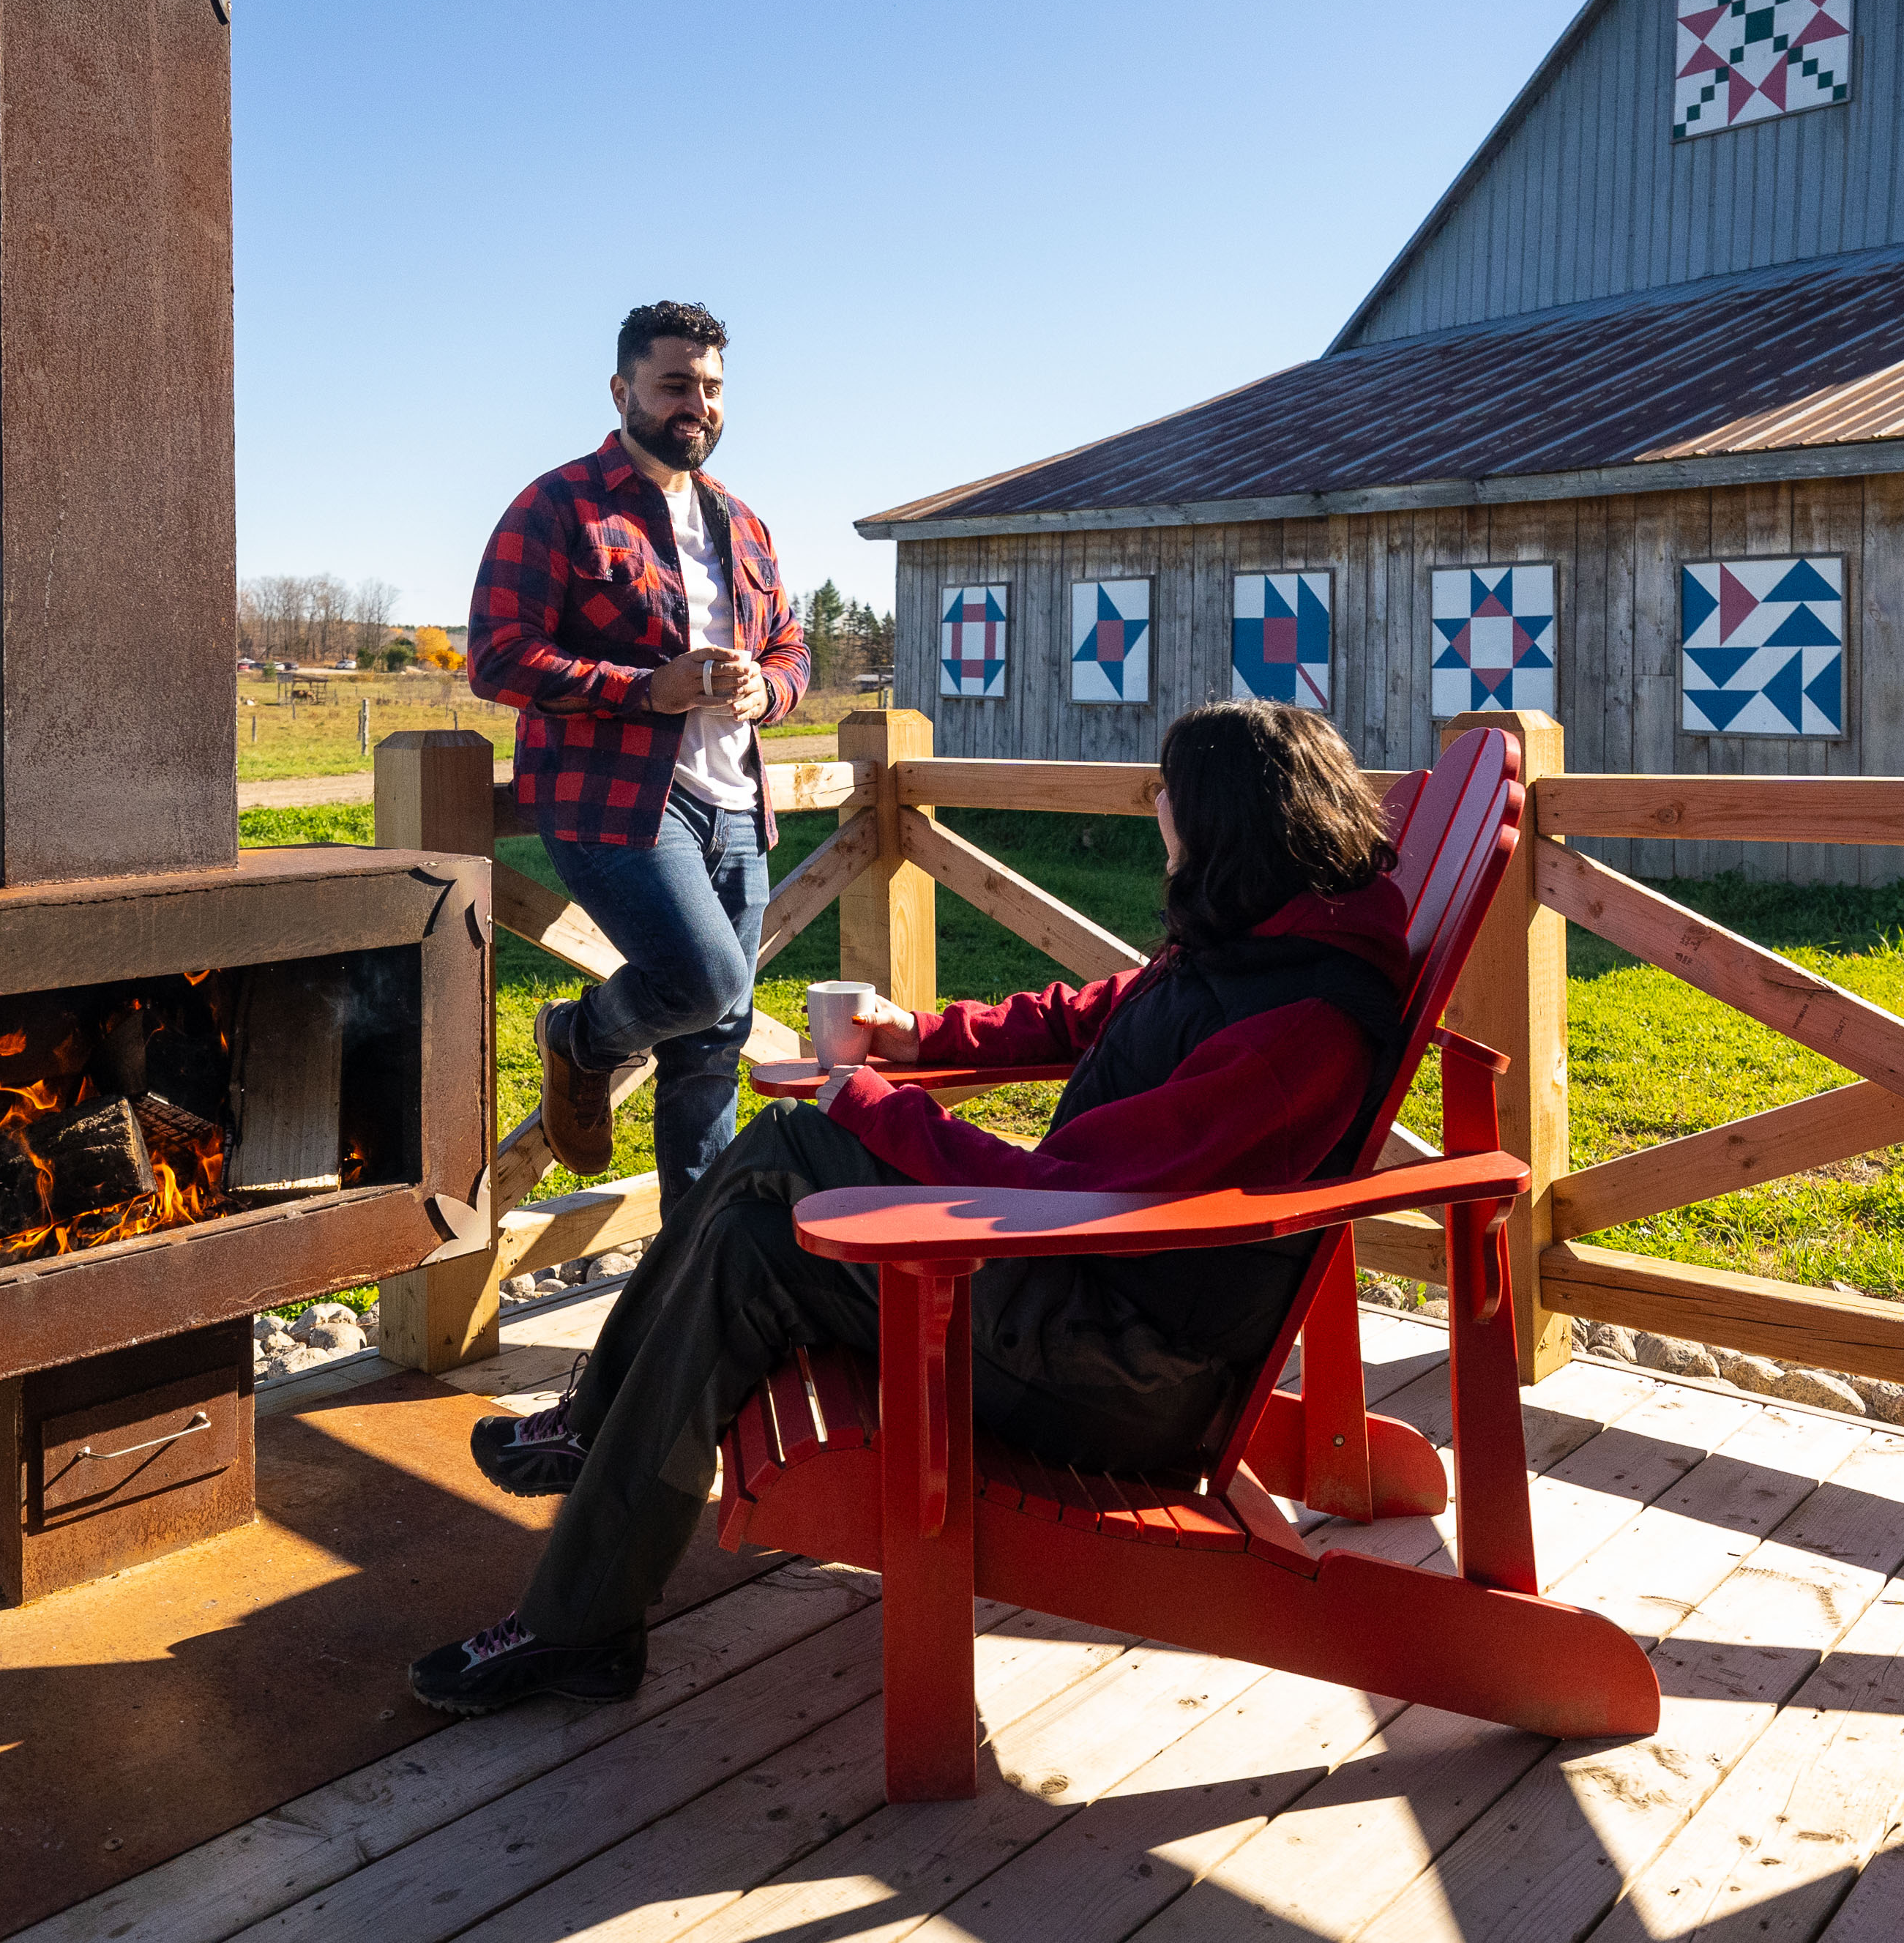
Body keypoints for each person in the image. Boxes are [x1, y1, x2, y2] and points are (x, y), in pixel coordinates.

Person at [409, 698, 1412, 1718]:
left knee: (802, 1141)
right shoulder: (1260, 937)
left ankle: (593, 1453)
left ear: (1225, 821)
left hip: (1125, 1371)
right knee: (756, 1242)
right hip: (1077, 1296)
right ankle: (583, 1614)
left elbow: (1076, 1195)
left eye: (1169, 793)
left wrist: (877, 1106)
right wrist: (917, 1039)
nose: (1156, 808)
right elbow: (1092, 1013)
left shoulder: (1303, 1028)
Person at [468, 301, 813, 1200]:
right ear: (622, 389)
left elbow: (790, 649)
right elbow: (497, 655)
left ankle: (692, 1273)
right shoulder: (558, 505)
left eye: (710, 388)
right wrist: (641, 689)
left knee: (711, 1049)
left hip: (735, 802)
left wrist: (766, 690)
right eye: (672, 385)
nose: (694, 404)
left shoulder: (744, 523)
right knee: (705, 983)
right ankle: (578, 1038)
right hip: (614, 801)